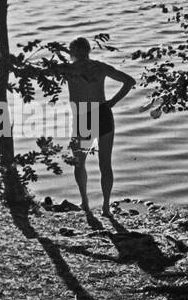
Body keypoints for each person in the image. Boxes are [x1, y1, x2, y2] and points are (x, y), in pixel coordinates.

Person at [57, 37, 135, 215]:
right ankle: (106, 208)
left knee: (79, 162)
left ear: (71, 52)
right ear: (89, 50)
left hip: (83, 116)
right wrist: (113, 102)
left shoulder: (68, 69)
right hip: (103, 113)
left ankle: (85, 203)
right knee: (105, 164)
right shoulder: (100, 67)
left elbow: (42, 71)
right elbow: (129, 81)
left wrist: (56, 52)